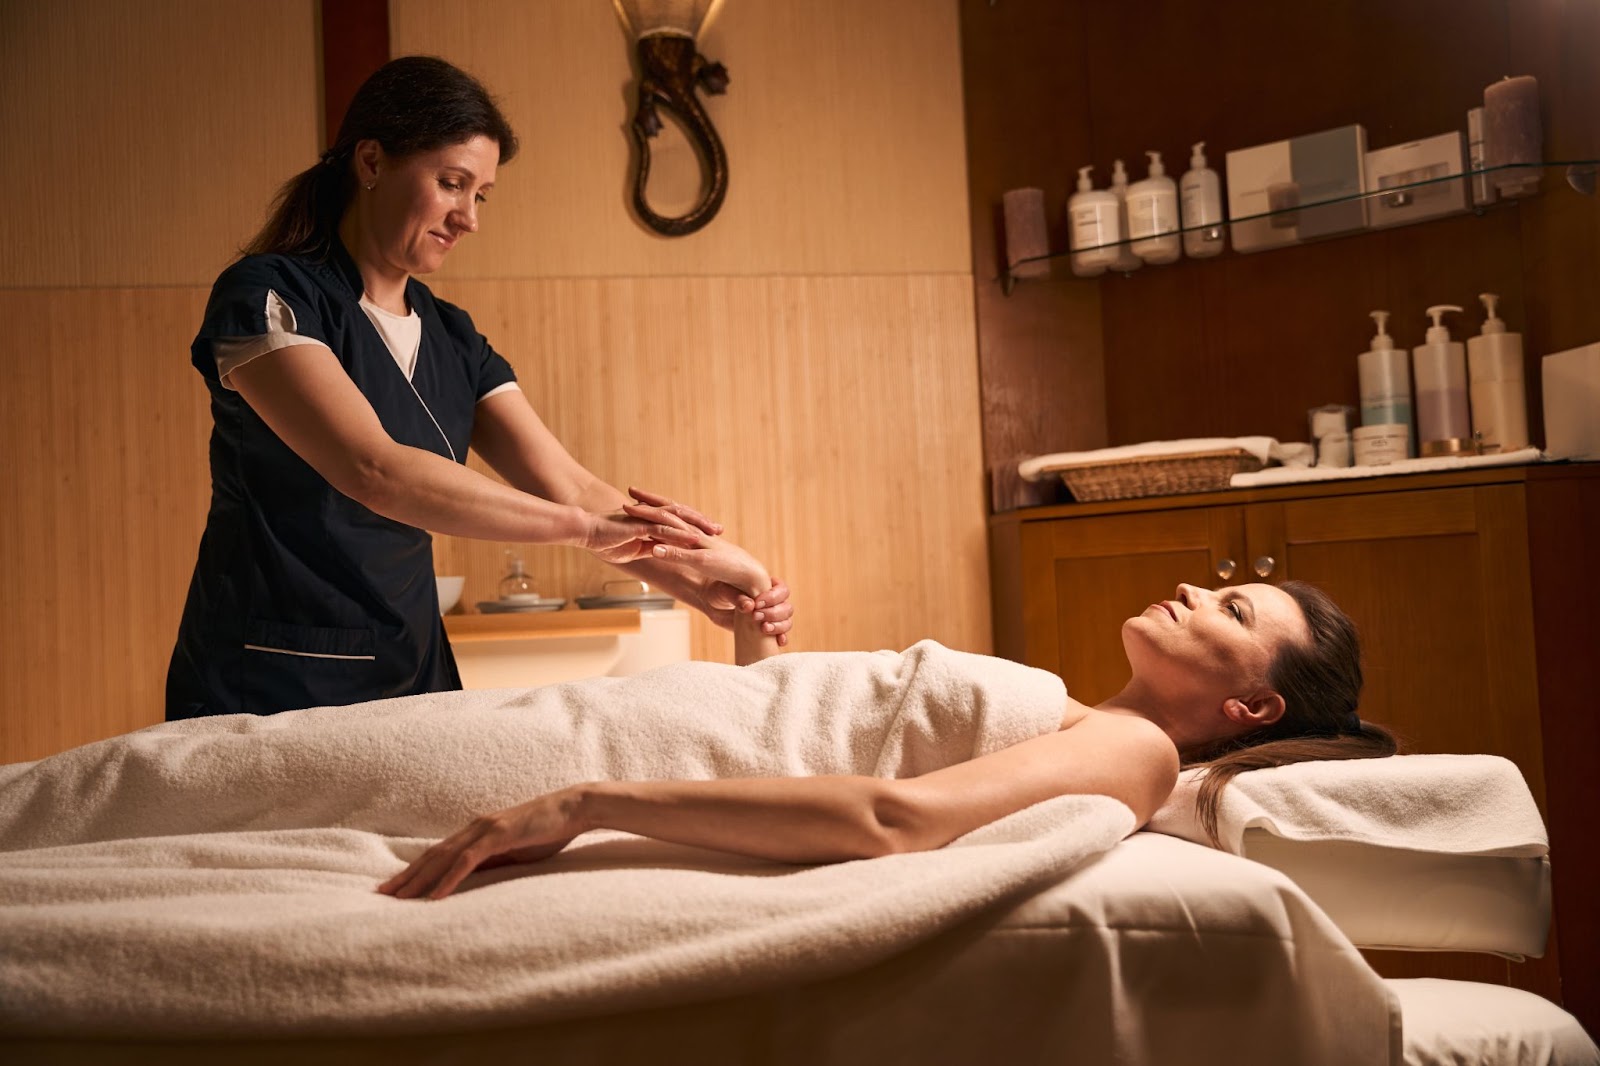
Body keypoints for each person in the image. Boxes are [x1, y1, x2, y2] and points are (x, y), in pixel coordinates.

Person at [166, 56, 791, 720]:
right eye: (451, 183)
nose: (469, 217)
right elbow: (373, 468)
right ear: (372, 163)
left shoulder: (454, 338)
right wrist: (582, 531)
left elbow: (572, 487)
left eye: (480, 194)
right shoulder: (269, 297)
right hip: (270, 680)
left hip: (413, 678)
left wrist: (701, 580)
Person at [380, 579, 1398, 900]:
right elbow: (833, 743)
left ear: (1254, 708)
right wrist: (751, 646)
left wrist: (585, 801)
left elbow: (891, 815)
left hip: (585, 749)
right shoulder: (1095, 725)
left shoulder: (1137, 754)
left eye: (1229, 606)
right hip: (624, 721)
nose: (1190, 589)